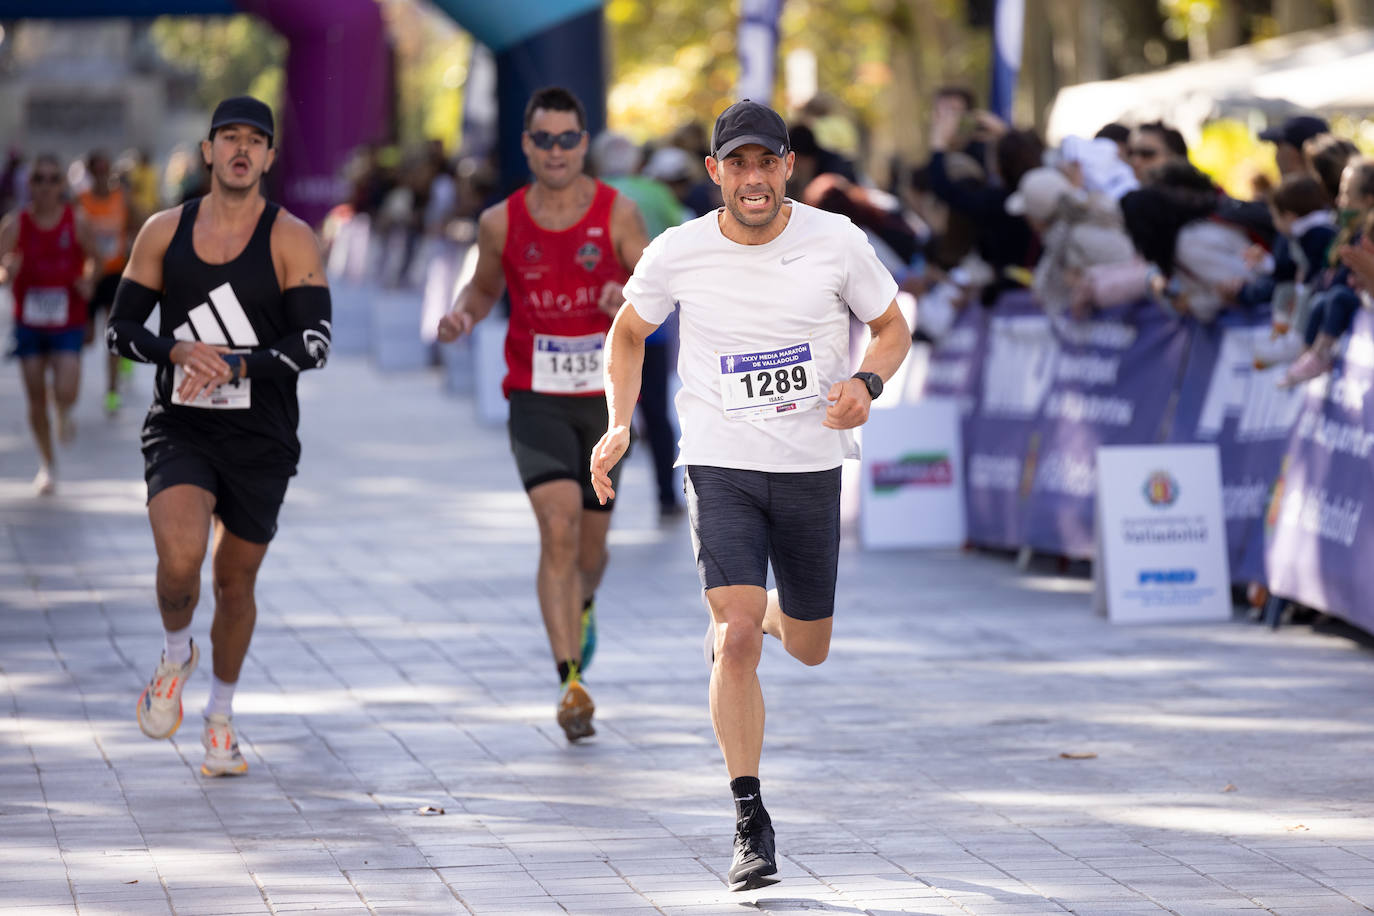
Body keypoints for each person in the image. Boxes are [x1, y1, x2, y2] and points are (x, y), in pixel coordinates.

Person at [589, 99, 910, 892]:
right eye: (739, 164)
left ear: (788, 166)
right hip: (720, 465)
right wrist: (619, 423)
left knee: (807, 645)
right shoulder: (679, 252)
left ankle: (767, 614)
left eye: (768, 162)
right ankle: (748, 820)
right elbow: (628, 332)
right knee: (733, 636)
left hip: (809, 468)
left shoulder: (836, 240)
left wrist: (867, 383)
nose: (754, 178)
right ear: (715, 174)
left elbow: (893, 327)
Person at [106, 96, 332, 777]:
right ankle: (176, 655)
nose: (240, 150)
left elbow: (315, 344)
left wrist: (240, 363)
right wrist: (174, 352)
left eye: (254, 140)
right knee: (180, 561)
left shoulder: (291, 237)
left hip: (262, 435)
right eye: (228, 138)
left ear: (268, 156)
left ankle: (220, 717)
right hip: (182, 426)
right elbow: (121, 330)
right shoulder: (162, 232)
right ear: (207, 151)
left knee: (235, 582)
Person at [436, 87, 649, 742]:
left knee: (591, 546)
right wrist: (464, 313)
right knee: (557, 530)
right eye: (543, 139)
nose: (555, 151)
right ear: (526, 146)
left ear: (582, 144)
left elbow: (655, 293)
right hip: (535, 399)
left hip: (607, 402)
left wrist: (625, 296)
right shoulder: (501, 221)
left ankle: (582, 604)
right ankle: (570, 682)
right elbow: (483, 284)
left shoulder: (619, 213)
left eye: (567, 139)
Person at [0, 153, 98, 494]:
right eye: (38, 179)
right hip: (29, 322)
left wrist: (88, 280)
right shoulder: (15, 224)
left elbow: (93, 259)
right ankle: (47, 464)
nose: (45, 186)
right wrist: (6, 272)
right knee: (35, 398)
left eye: (52, 179)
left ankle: (65, 411)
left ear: (62, 184)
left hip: (67, 318)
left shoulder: (77, 221)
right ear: (30, 185)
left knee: (66, 388)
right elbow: (1, 267)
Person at [79, 150, 137, 415]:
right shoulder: (81, 202)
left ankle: (112, 391)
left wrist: (133, 249)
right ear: (90, 173)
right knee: (88, 337)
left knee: (112, 333)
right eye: (97, 170)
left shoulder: (121, 198)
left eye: (105, 170)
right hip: (90, 275)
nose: (102, 175)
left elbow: (141, 223)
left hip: (115, 274)